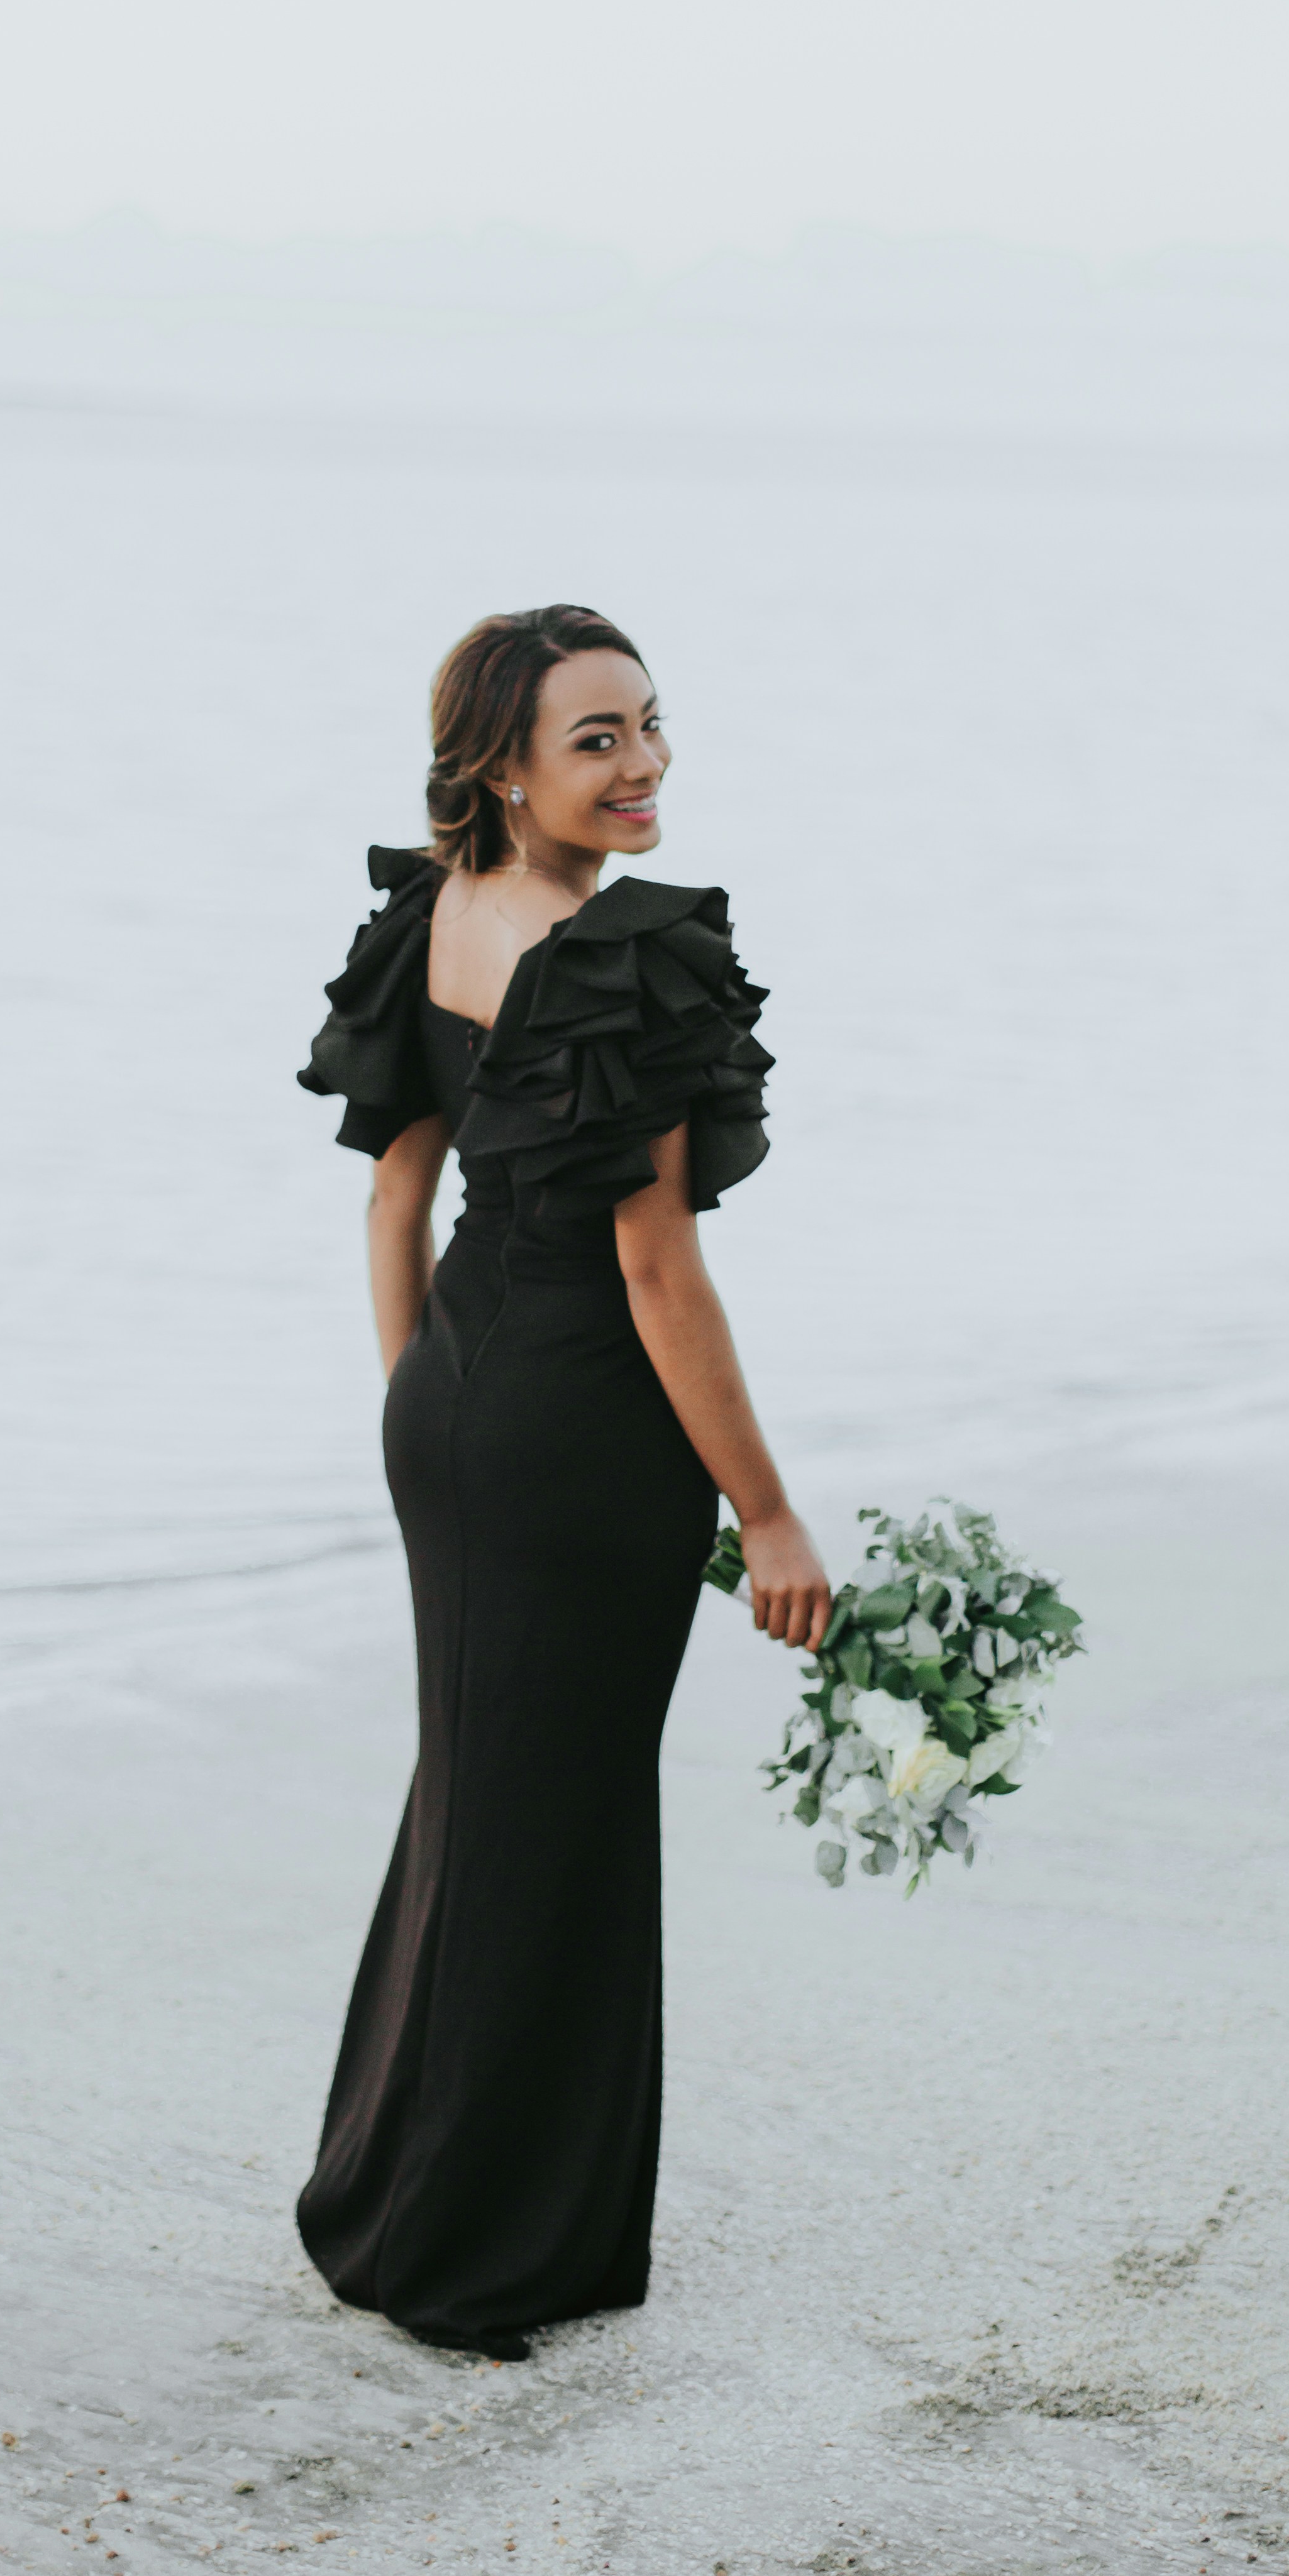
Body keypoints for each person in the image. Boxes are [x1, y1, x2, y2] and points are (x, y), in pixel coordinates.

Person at [293, 602, 831, 2361]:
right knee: (556, 1828)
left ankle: (397, 2206)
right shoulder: (622, 960)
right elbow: (658, 1271)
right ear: (502, 769)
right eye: (597, 739)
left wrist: (424, 1408)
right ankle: (470, 2253)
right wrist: (766, 1510)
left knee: (478, 1802)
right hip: (586, 1433)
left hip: (455, 1410)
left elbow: (397, 1199)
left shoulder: (429, 918)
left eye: (651, 724)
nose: (644, 763)